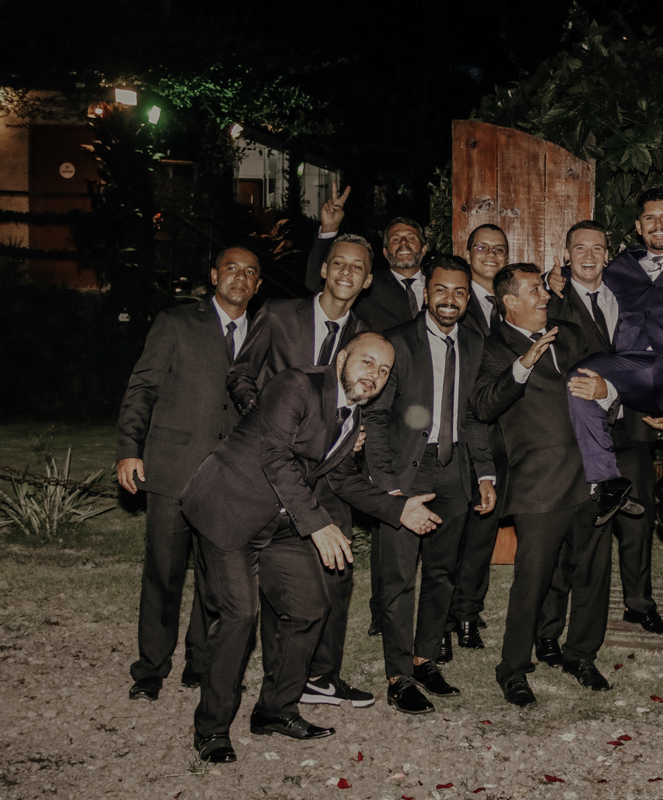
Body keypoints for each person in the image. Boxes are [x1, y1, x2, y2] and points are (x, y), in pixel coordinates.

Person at [182, 333, 441, 764]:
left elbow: (340, 480)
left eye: (383, 371)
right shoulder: (296, 384)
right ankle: (210, 728)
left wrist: (398, 509)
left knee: (309, 608)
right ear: (342, 359)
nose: (374, 375)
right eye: (367, 362)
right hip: (229, 509)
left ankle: (275, 710)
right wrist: (318, 524)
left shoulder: (353, 418)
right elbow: (275, 456)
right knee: (239, 616)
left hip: (281, 520)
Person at [227, 233, 377, 709]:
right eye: (339, 263)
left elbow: (368, 396)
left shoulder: (366, 336)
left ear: (367, 280)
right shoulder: (278, 314)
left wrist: (359, 431)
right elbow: (241, 374)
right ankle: (283, 679)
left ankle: (323, 677)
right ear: (324, 270)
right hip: (274, 470)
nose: (347, 272)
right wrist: (266, 421)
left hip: (330, 473)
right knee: (284, 579)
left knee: (337, 571)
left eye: (357, 267)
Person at [118, 247, 262, 702]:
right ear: (214, 275)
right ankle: (150, 669)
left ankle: (201, 663)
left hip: (231, 477)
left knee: (217, 578)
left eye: (250, 272)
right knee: (163, 573)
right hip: (173, 469)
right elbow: (143, 387)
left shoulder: (265, 333)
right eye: (232, 268)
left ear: (258, 285)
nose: (240, 277)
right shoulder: (176, 322)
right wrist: (129, 450)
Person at [471, 263, 612, 706]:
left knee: (592, 574)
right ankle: (513, 669)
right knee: (532, 579)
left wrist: (606, 390)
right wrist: (521, 366)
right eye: (534, 290)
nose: (545, 296)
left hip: (593, 474)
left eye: (543, 289)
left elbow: (613, 372)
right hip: (540, 482)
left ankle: (581, 655)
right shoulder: (493, 347)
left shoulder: (570, 333)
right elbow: (482, 406)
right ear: (509, 301)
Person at [362, 254, 496, 714]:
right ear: (425, 292)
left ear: (468, 298)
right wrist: (387, 487)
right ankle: (398, 676)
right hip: (407, 474)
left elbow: (475, 417)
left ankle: (424, 659)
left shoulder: (476, 343)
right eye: (441, 290)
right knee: (399, 577)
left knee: (442, 572)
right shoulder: (397, 342)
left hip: (454, 471)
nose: (449, 299)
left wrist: (484, 473)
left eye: (459, 292)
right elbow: (375, 419)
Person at [565, 187, 663, 541]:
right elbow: (580, 271)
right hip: (631, 364)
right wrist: (555, 277)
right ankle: (607, 480)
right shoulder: (618, 267)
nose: (658, 225)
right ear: (638, 226)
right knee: (579, 377)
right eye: (650, 218)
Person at [543, 220, 663, 644]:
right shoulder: (552, 301)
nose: (589, 255)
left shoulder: (628, 296)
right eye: (580, 248)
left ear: (608, 254)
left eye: (597, 248)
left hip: (631, 427)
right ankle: (553, 619)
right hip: (579, 435)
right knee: (578, 527)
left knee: (639, 520)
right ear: (567, 254)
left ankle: (640, 605)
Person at [445, 224, 513, 654]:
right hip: (456, 433)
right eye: (482, 247)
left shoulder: (514, 303)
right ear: (467, 253)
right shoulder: (451, 301)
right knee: (451, 533)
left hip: (500, 436)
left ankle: (468, 611)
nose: (490, 254)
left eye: (499, 249)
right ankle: (444, 612)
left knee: (482, 533)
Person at [305, 182, 426, 331]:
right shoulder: (367, 285)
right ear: (385, 252)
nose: (403, 243)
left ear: (424, 249)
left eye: (411, 238)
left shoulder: (439, 284)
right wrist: (329, 229)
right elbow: (315, 282)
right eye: (395, 239)